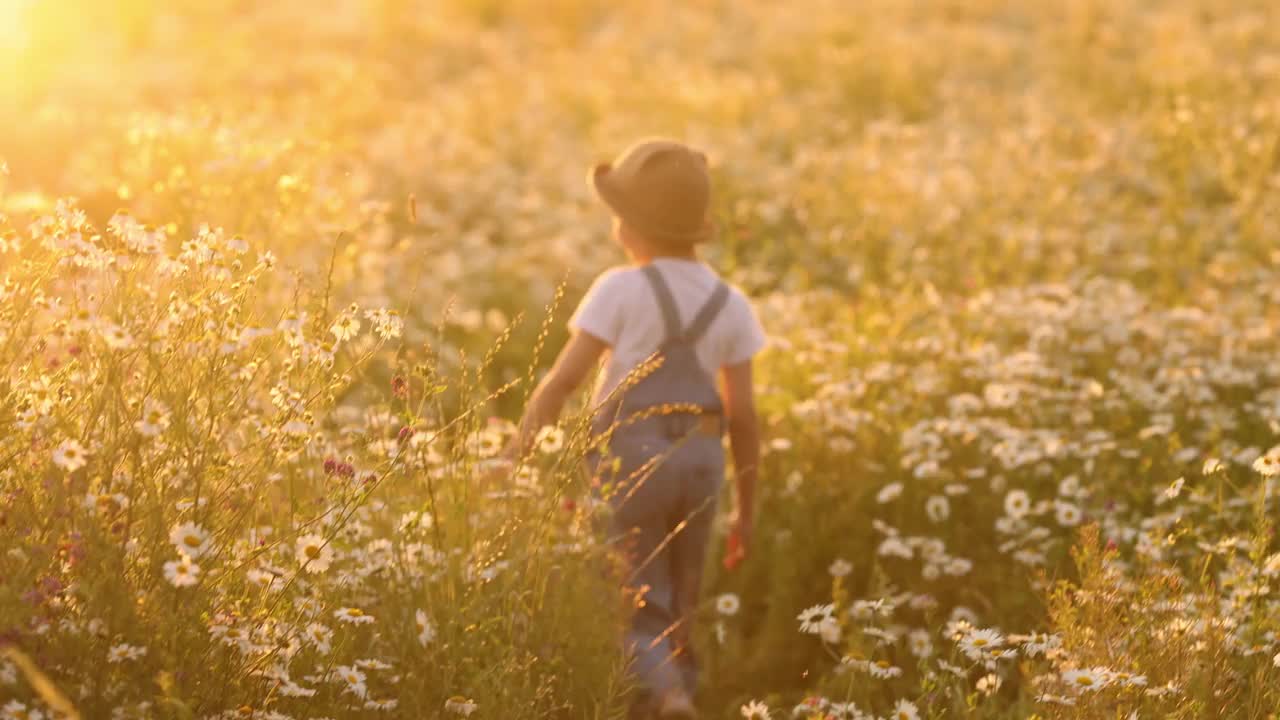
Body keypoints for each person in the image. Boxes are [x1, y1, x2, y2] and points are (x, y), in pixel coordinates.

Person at [506, 138, 765, 719]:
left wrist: (513, 454)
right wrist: (746, 512)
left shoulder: (619, 289)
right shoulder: (731, 302)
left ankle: (663, 695)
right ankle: (677, 691)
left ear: (629, 225)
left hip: (630, 457)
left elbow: (561, 383)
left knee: (628, 593)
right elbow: (744, 417)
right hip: (702, 460)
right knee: (681, 599)